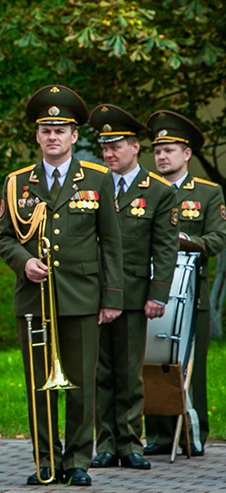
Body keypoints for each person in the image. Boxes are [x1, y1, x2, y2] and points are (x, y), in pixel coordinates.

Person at [0, 85, 123, 487]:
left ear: (74, 136)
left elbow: (111, 242)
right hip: (34, 298)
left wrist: (112, 297)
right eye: (46, 130)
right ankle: (46, 461)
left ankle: (78, 460)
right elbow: (3, 237)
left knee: (82, 383)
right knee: (39, 383)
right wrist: (23, 262)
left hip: (81, 296)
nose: (53, 136)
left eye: (60, 130)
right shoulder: (17, 183)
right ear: (37, 136)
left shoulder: (98, 179)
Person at [86, 105, 178, 470]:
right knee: (100, 371)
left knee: (128, 371)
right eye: (105, 148)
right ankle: (106, 442)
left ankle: (129, 442)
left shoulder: (157, 191)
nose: (109, 154)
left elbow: (165, 247)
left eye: (116, 147)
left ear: (135, 147)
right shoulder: (92, 186)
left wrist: (158, 292)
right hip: (95, 291)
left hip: (135, 292)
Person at [143, 110, 226, 457]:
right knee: (152, 358)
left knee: (191, 363)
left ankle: (193, 433)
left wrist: (188, 242)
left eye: (169, 150)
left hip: (191, 291)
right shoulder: (146, 190)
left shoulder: (208, 193)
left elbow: (218, 237)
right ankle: (158, 436)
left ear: (187, 154)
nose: (162, 157)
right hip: (153, 286)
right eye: (158, 151)